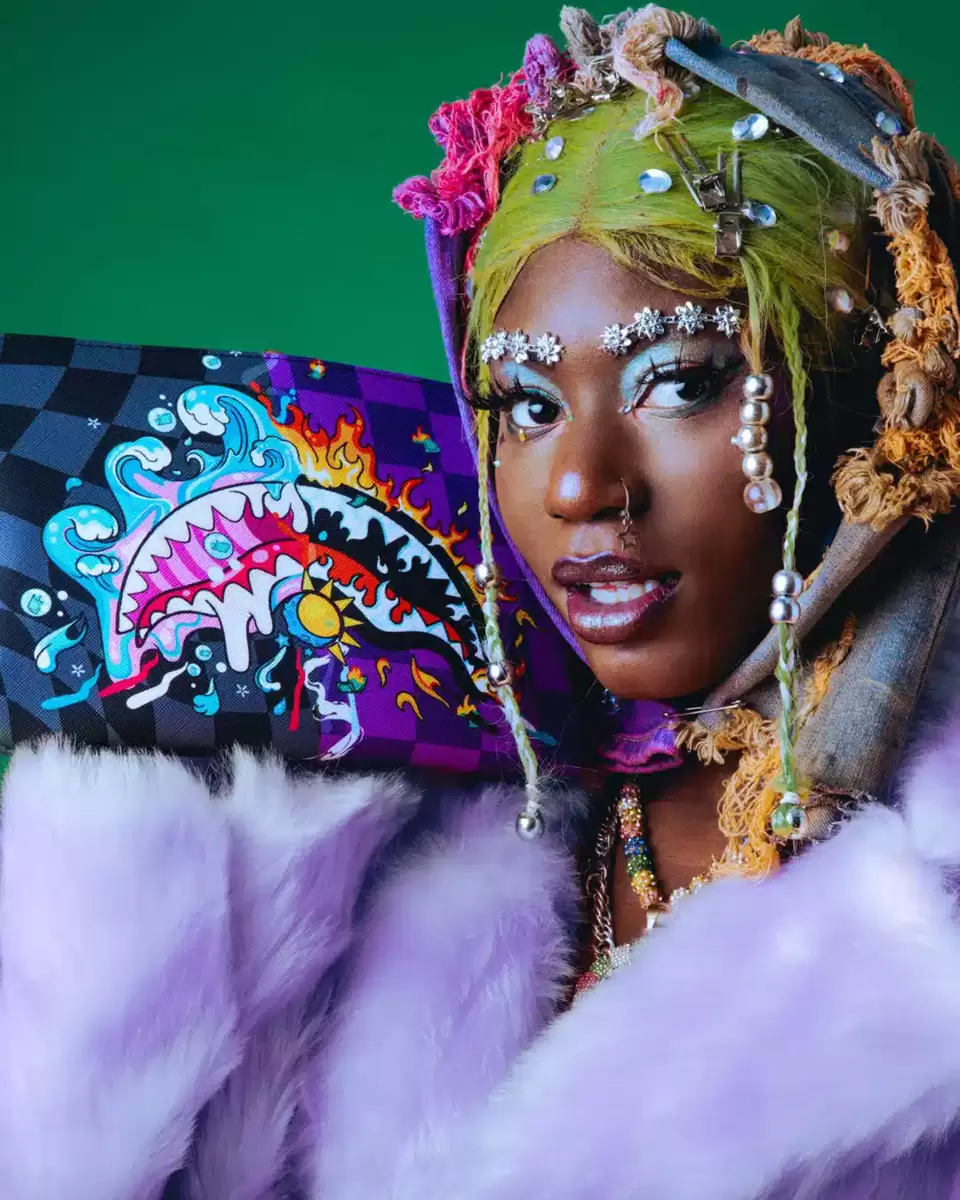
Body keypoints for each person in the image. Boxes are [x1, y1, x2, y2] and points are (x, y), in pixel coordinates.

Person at [4, 6, 960, 1198]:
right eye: (527, 406)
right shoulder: (389, 823)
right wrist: (136, 872)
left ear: (875, 397)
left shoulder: (931, 886)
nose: (578, 486)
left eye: (678, 383)